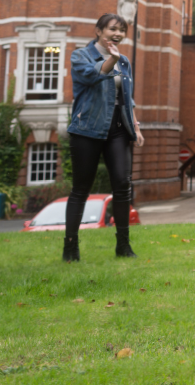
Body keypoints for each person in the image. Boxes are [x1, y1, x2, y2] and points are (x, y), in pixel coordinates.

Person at [64, 13, 144, 262]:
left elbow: (127, 96)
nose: (118, 34)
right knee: (81, 190)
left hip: (118, 130)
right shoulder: (80, 55)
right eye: (112, 29)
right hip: (87, 128)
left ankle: (123, 246)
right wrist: (111, 60)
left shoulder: (124, 61)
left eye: (122, 31)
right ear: (98, 31)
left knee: (122, 185)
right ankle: (71, 248)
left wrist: (136, 126)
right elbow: (90, 76)